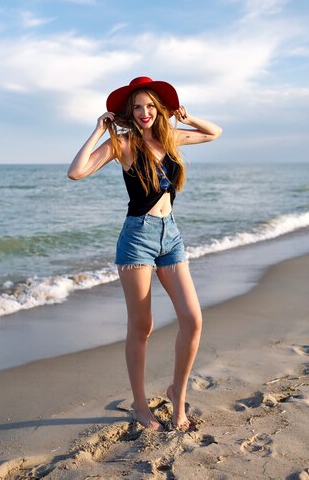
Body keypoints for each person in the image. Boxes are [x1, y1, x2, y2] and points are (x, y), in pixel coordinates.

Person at [68, 76, 222, 432]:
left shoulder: (171, 139)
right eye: (137, 107)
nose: (144, 112)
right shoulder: (122, 145)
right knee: (143, 327)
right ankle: (140, 405)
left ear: (159, 109)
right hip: (137, 239)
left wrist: (187, 117)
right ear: (128, 113)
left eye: (150, 106)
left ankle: (176, 398)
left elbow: (214, 133)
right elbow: (76, 172)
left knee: (193, 320)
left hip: (172, 237)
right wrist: (99, 130)